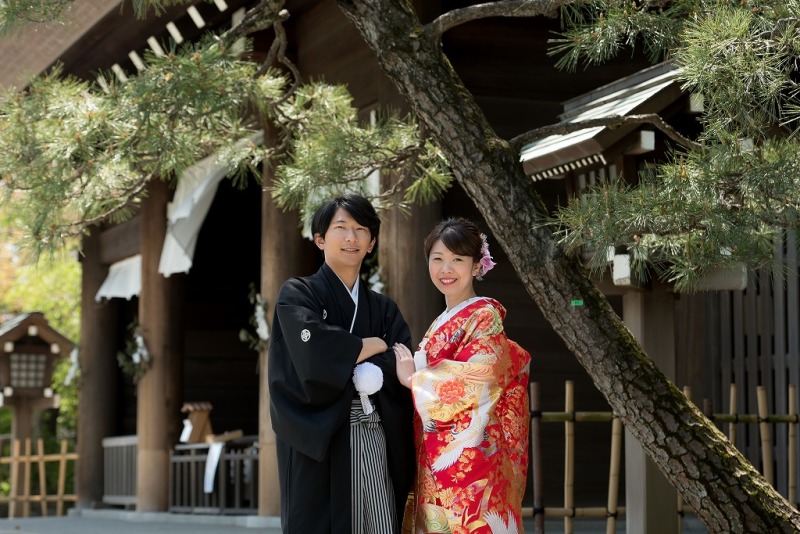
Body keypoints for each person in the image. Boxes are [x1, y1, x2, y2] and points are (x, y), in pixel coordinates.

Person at [268, 194, 415, 533]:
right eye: (341, 228)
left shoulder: (383, 308)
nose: (352, 238)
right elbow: (311, 352)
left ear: (371, 242)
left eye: (361, 230)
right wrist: (369, 345)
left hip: (374, 429)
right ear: (320, 239)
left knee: (378, 520)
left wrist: (357, 357)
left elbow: (402, 358)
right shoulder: (298, 294)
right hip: (319, 435)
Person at [394, 217, 531, 534]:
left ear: (476, 266)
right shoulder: (441, 321)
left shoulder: (484, 315)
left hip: (473, 464)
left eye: (457, 260)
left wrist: (413, 379)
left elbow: (479, 378)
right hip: (438, 461)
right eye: (438, 259)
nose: (446, 269)